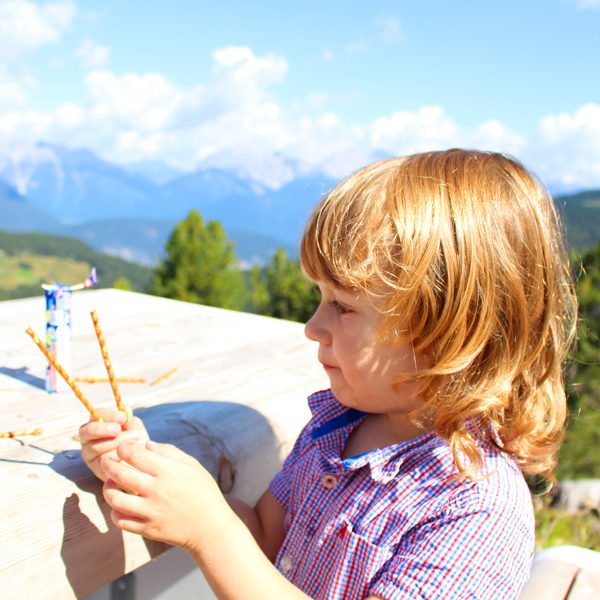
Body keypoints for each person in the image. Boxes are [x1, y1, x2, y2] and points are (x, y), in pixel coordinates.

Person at [79, 149, 577, 600]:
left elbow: (228, 541)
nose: (312, 327)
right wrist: (150, 473)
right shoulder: (333, 430)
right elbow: (263, 540)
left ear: (448, 331)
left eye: (341, 306)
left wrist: (211, 530)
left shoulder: (475, 511)